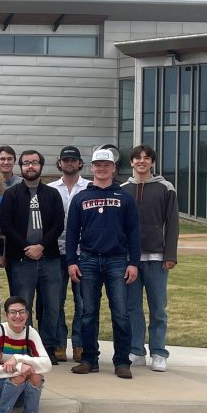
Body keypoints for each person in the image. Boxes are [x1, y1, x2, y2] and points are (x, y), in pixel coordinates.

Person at [67, 148, 141, 379]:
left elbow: (134, 233)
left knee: (120, 312)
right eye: (97, 165)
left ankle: (122, 361)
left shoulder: (125, 197)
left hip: (117, 260)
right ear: (92, 167)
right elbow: (71, 233)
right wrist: (71, 261)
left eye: (106, 165)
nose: (101, 168)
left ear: (113, 168)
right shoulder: (81, 197)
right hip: (88, 259)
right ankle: (89, 359)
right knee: (88, 312)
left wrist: (133, 262)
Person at [0, 150, 65, 362]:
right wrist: (27, 246)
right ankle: (26, 347)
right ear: (21, 167)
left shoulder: (52, 194)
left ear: (41, 166)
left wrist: (41, 246)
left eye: (35, 163)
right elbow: (5, 224)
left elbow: (58, 224)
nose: (30, 167)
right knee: (22, 306)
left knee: (52, 305)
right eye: (26, 163)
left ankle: (48, 348)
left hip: (50, 257)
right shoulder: (12, 194)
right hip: (21, 259)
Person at [122, 144, 179, 372]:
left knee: (158, 307)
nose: (141, 161)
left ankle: (158, 352)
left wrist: (170, 255)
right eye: (137, 158)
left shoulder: (165, 188)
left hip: (157, 257)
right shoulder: (123, 189)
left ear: (152, 162)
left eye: (146, 158)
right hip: (130, 259)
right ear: (131, 162)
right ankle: (136, 351)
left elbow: (173, 223)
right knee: (132, 308)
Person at [0, 296, 51, 413]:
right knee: (21, 375)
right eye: (13, 312)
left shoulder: (30, 333)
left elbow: (47, 364)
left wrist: (17, 358)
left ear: (27, 314)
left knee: (36, 376)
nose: (18, 316)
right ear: (6, 315)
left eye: (22, 312)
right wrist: (20, 367)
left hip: (21, 393)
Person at [48, 146, 89, 363]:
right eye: (66, 160)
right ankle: (59, 344)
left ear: (80, 163)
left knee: (83, 302)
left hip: (83, 253)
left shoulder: (89, 188)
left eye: (73, 160)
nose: (70, 163)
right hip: (57, 251)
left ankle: (80, 344)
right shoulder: (51, 188)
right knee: (57, 301)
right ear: (60, 162)